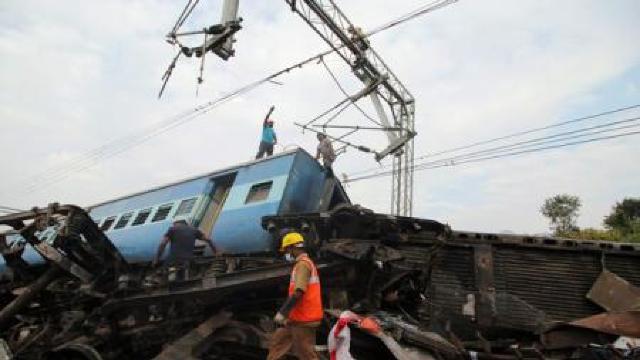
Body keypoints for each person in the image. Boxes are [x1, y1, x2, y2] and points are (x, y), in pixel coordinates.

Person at [267, 232, 323, 360]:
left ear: (293, 247)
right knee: (277, 344)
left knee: (305, 354)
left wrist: (282, 312)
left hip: (304, 319)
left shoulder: (303, 265)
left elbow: (299, 292)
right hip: (295, 318)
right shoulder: (301, 264)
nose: (287, 253)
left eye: (287, 250)